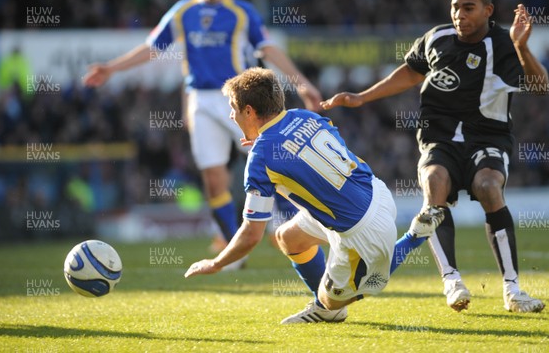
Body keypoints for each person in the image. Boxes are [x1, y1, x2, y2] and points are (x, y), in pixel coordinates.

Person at [322, 0, 547, 313]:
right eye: (455, 7)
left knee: (488, 186)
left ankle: (513, 290)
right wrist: (362, 97)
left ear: (488, 10)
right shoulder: (437, 38)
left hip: (487, 137)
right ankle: (452, 280)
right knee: (434, 185)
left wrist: (523, 48)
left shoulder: (504, 45)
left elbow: (540, 88)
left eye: (468, 8)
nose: (459, 14)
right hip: (438, 138)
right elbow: (411, 72)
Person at [84, 0, 322, 260]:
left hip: (242, 101)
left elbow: (269, 50)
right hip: (200, 100)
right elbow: (152, 48)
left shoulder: (241, 12)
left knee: (275, 164)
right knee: (213, 178)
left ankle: (303, 227)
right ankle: (232, 250)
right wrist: (112, 69)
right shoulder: (183, 12)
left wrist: (303, 85)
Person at [184, 67, 445, 323]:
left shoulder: (261, 156)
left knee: (341, 297)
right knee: (287, 237)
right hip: (375, 192)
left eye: (233, 108)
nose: (231, 115)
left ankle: (412, 238)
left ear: (250, 111)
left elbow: (252, 234)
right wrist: (266, 144)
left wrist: (217, 263)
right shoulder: (305, 116)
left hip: (362, 231)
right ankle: (324, 304)